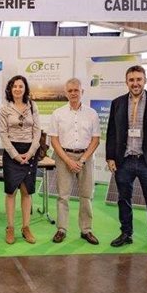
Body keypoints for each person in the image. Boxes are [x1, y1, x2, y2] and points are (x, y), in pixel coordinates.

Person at [106, 65, 147, 258]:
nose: (135, 83)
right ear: (126, 82)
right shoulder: (117, 103)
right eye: (131, 80)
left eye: (138, 79)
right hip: (124, 161)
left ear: (145, 81)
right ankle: (126, 233)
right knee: (123, 200)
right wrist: (110, 157)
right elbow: (111, 132)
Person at [48, 78, 100, 245]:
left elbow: (96, 139)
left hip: (86, 157)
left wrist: (83, 159)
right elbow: (54, 140)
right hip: (64, 158)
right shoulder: (58, 114)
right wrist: (68, 160)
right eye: (70, 91)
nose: (73, 93)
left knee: (86, 195)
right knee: (63, 196)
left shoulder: (92, 114)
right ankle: (61, 229)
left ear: (82, 92)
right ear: (66, 93)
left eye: (76, 90)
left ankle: (86, 230)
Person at [0, 75, 41, 244]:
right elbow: (3, 133)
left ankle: (26, 227)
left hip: (30, 151)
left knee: (26, 191)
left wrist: (30, 153)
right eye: (14, 86)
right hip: (11, 152)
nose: (17, 89)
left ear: (25, 89)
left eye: (20, 86)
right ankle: (10, 228)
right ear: (10, 89)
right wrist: (15, 155)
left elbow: (37, 130)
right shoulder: (4, 108)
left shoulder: (32, 106)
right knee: (11, 192)